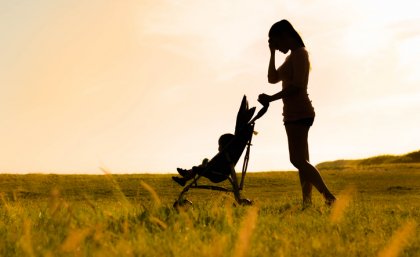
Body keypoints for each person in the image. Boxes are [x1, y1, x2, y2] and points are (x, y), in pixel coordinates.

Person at [258, 20, 336, 207]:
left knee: (297, 159)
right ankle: (307, 203)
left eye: (277, 43)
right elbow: (272, 78)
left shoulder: (301, 54)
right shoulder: (291, 57)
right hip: (292, 114)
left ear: (286, 36)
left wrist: (270, 98)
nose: (278, 48)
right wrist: (271, 54)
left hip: (300, 112)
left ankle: (329, 197)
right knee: (303, 161)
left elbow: (298, 86)